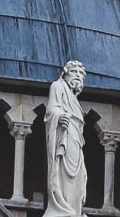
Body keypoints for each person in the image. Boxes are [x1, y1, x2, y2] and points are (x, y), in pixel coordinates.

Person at [43, 60, 88, 217]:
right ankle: (62, 208)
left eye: (81, 73)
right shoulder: (58, 86)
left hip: (76, 140)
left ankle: (73, 209)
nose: (78, 76)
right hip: (64, 136)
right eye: (74, 72)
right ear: (65, 73)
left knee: (78, 176)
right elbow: (51, 109)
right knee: (63, 171)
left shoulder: (74, 99)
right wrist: (60, 115)